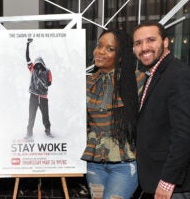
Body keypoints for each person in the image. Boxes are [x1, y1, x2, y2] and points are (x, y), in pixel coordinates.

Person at [81, 29, 145, 199]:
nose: (100, 52)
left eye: (110, 49)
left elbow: (151, 120)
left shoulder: (138, 80)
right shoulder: (87, 82)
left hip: (125, 163)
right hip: (94, 163)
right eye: (99, 46)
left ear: (121, 56)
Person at [133, 22, 190, 199]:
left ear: (165, 42)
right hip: (155, 180)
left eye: (151, 40)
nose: (144, 48)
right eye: (138, 43)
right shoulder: (155, 75)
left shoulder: (178, 73)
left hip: (172, 186)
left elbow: (184, 134)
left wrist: (167, 182)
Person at [24, 38, 53, 139]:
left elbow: (49, 83)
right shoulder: (32, 69)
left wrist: (42, 83)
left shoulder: (47, 71)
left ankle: (48, 131)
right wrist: (27, 45)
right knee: (31, 116)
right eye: (37, 65)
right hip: (34, 96)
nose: (39, 67)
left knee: (45, 116)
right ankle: (29, 133)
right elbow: (27, 57)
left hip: (43, 97)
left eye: (40, 65)